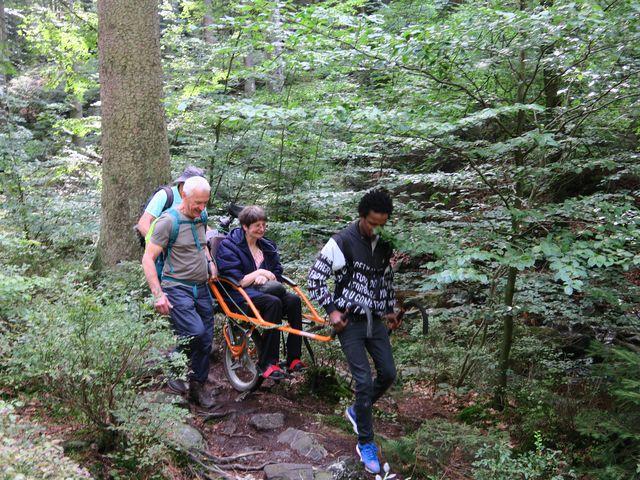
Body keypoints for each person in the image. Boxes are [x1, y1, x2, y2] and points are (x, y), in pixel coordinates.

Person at [307, 189, 400, 474]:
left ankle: (357, 411)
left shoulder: (385, 244)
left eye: (382, 224)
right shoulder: (342, 242)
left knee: (388, 373)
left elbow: (384, 281)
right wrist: (333, 312)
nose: (376, 229)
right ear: (362, 216)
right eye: (372, 222)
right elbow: (315, 279)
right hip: (350, 321)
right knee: (362, 380)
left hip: (376, 322)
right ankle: (366, 443)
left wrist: (390, 309)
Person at [141, 175, 215, 408]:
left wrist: (210, 261)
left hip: (201, 287)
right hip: (176, 287)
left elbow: (201, 244)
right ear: (184, 195)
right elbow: (148, 259)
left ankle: (197, 386)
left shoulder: (201, 216)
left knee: (206, 340)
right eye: (198, 203)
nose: (202, 208)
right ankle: (173, 367)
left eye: (205, 203)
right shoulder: (168, 222)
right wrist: (158, 294)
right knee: (194, 331)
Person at [215, 206, 306, 380]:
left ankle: (294, 358)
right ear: (245, 226)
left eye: (264, 225)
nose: (262, 229)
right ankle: (268, 363)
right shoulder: (230, 246)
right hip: (238, 295)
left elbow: (276, 273)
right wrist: (259, 273)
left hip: (263, 291)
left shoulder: (267, 246)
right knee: (274, 302)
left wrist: (268, 276)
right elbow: (236, 279)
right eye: (257, 225)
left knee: (293, 300)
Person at [137, 166, 205, 238]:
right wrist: (155, 244)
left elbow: (201, 225)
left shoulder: (199, 201)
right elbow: (143, 223)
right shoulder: (165, 196)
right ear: (182, 183)